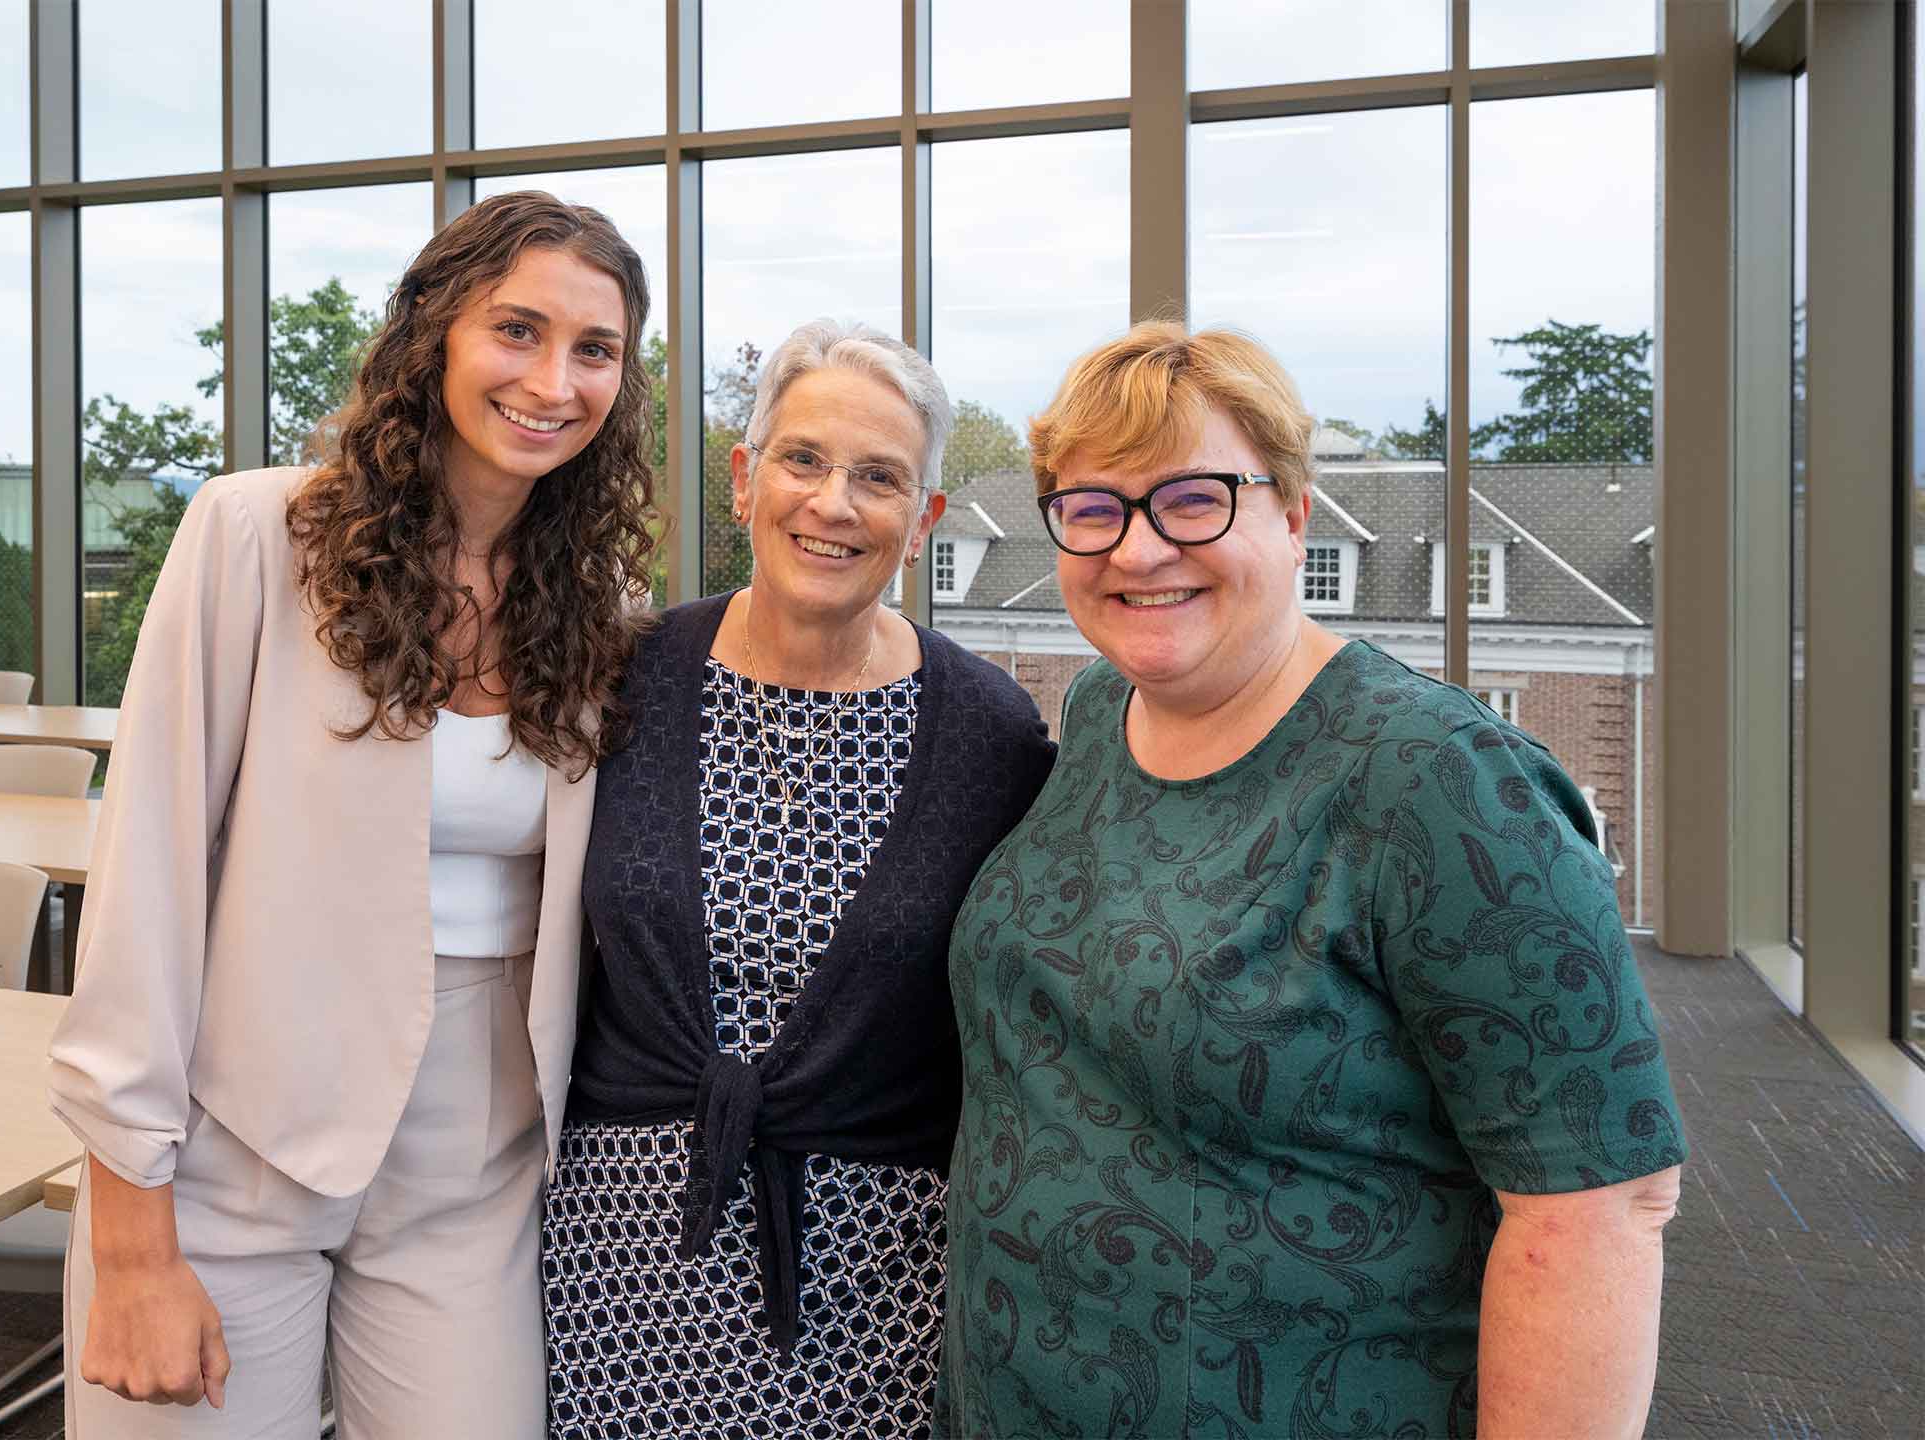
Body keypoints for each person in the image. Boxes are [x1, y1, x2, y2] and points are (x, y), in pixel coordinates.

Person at [935, 324, 1687, 1439]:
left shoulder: (1442, 784)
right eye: (1093, 509)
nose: (1137, 550)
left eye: (1192, 499)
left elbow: (1598, 1205)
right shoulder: (1099, 716)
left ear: (1293, 517)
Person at [46, 191, 658, 1438]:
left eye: (595, 350)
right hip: (234, 1139)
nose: (555, 380)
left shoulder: (597, 600)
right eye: (518, 331)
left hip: (471, 1166)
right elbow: (147, 881)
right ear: (434, 333)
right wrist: (132, 1242)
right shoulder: (256, 537)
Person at [542, 319, 1056, 1437]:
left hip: (876, 1289)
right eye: (805, 460)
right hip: (613, 1263)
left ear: (922, 521)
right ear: (745, 478)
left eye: (879, 478)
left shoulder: (989, 734)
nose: (833, 503)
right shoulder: (624, 680)